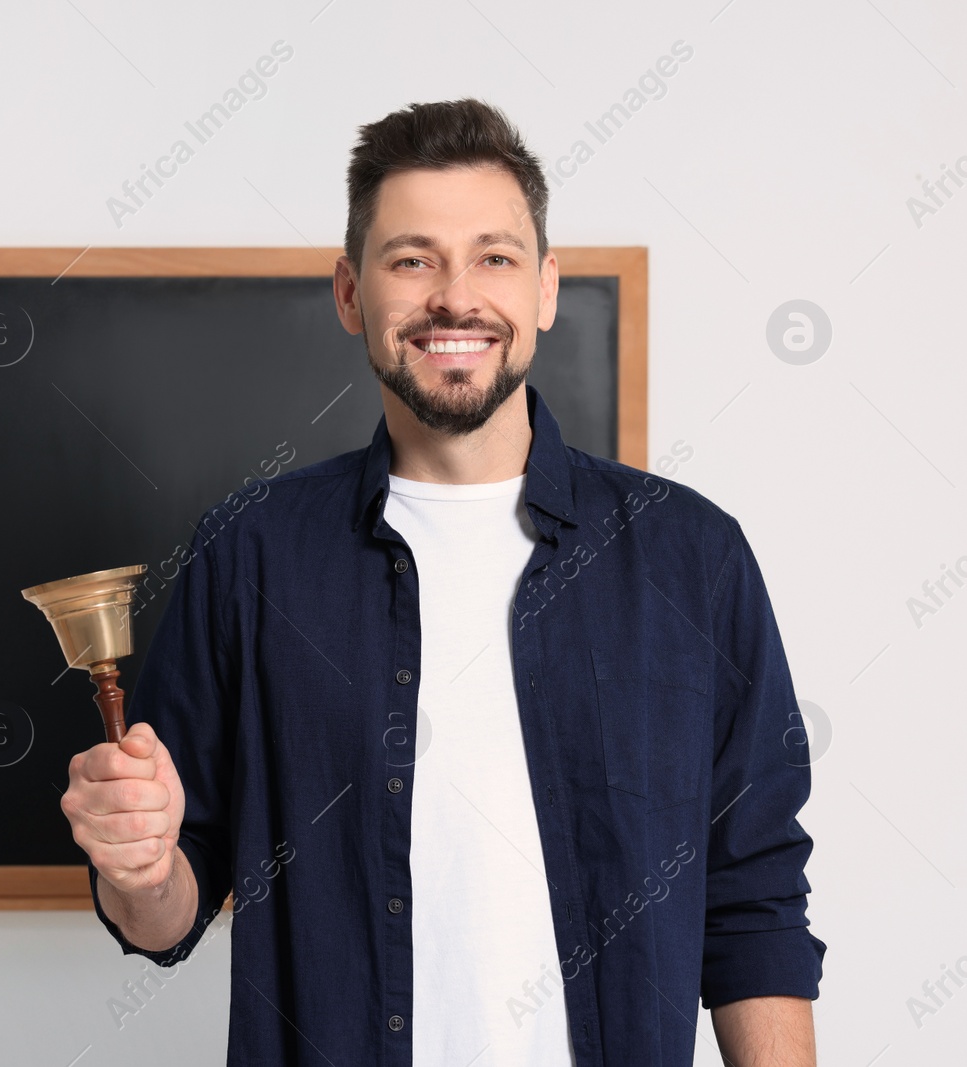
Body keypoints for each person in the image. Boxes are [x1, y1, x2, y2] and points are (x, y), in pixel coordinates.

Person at [60, 97, 824, 1066]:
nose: (454, 297)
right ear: (350, 292)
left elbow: (752, 899)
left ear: (546, 289)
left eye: (494, 256)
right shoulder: (249, 552)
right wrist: (134, 861)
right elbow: (165, 914)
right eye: (411, 258)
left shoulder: (691, 555)